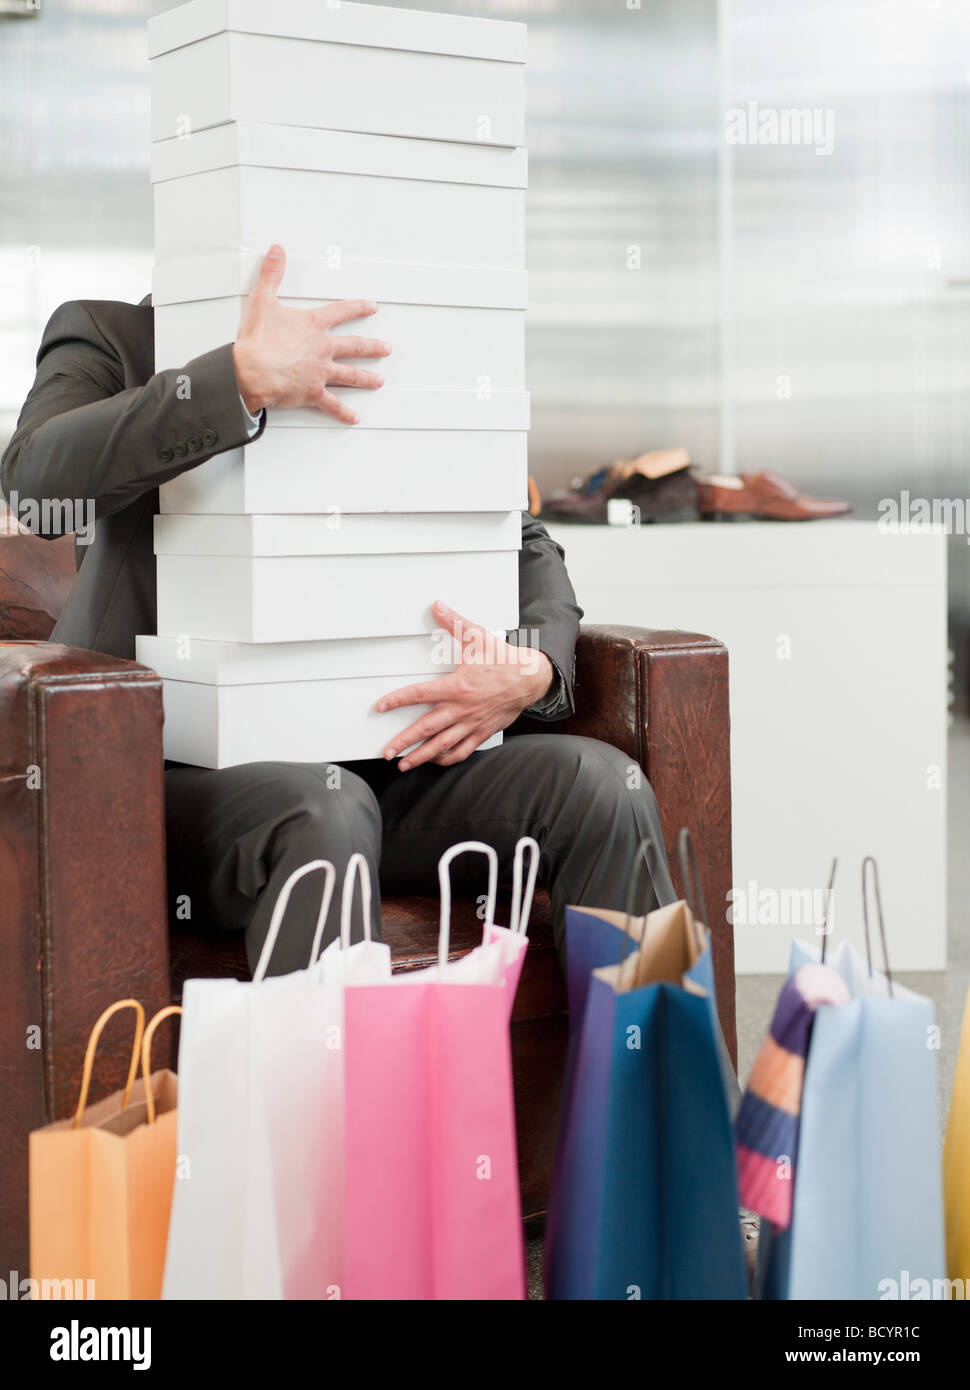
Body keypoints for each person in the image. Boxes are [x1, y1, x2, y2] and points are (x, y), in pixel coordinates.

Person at [1, 245, 674, 971]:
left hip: (393, 758)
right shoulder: (110, 335)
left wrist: (537, 661)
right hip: (174, 778)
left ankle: (657, 1078)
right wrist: (233, 382)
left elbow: (514, 531)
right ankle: (323, 1088)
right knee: (323, 810)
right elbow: (35, 492)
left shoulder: (388, 354)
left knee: (608, 789)